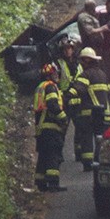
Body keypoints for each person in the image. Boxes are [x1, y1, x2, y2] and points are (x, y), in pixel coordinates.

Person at [66, 47, 110, 171]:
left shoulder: (86, 75)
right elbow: (109, 93)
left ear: (87, 60)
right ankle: (98, 161)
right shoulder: (103, 75)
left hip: (89, 114)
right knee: (100, 139)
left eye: (83, 60)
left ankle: (88, 164)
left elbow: (76, 90)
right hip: (103, 114)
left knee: (86, 138)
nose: (81, 63)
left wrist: (65, 96)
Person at [33, 63, 68, 192]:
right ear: (50, 75)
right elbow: (53, 105)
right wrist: (63, 118)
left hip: (42, 128)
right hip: (51, 127)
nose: (57, 76)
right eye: (55, 73)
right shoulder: (51, 87)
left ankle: (41, 182)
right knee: (53, 154)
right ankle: (53, 183)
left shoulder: (40, 87)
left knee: (43, 155)